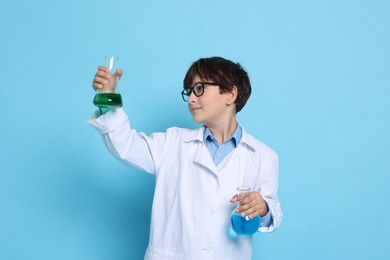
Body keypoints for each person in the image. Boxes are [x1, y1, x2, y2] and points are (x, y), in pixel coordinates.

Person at [88, 56, 282, 260]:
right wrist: (107, 96)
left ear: (230, 94)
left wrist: (263, 208)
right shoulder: (172, 142)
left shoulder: (263, 156)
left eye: (199, 89)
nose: (191, 99)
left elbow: (273, 214)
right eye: (189, 92)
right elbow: (125, 144)